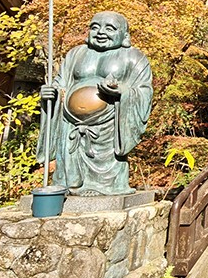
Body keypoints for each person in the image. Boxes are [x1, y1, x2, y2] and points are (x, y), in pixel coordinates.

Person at [38, 11, 153, 196]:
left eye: (110, 28)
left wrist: (122, 91)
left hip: (107, 127)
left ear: (124, 36)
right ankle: (68, 184)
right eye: (95, 27)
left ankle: (101, 186)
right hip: (70, 123)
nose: (100, 32)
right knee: (67, 168)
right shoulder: (76, 54)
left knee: (105, 164)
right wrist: (51, 93)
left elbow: (144, 90)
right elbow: (62, 83)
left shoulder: (134, 57)